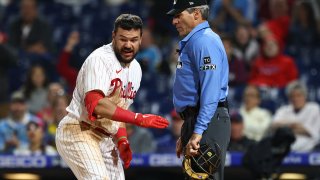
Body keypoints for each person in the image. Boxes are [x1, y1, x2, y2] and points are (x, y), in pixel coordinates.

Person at [55, 14, 169, 180]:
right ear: (114, 36)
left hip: (105, 138)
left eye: (134, 40)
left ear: (141, 39)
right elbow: (96, 104)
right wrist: (138, 118)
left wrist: (122, 139)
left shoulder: (136, 69)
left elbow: (118, 110)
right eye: (123, 39)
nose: (128, 45)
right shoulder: (100, 59)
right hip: (79, 129)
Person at [167, 1, 231, 179]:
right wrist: (188, 129)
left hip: (208, 120)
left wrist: (198, 131)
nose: (174, 21)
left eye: (178, 15)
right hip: (198, 120)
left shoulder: (204, 41)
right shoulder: (196, 40)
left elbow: (210, 92)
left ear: (196, 14)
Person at [272, 81, 320, 152]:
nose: (296, 99)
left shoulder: (314, 108)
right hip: (285, 150)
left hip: (310, 149)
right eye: (292, 96)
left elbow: (313, 133)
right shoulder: (284, 109)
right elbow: (274, 126)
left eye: (299, 95)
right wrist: (294, 125)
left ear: (305, 96)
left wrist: (286, 129)